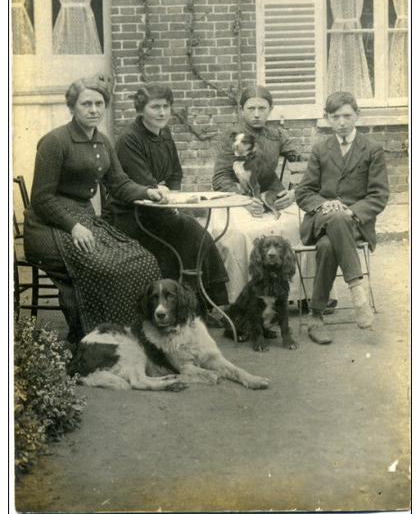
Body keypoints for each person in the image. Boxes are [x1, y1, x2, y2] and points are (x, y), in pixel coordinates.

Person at [23, 74, 164, 343]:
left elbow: (119, 183)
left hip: (84, 221)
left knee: (142, 259)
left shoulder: (103, 142)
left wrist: (148, 191)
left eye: (99, 103)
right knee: (106, 267)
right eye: (86, 104)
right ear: (72, 107)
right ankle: (93, 338)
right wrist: (74, 227)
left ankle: (129, 335)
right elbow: (41, 199)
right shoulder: (55, 142)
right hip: (48, 227)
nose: (94, 110)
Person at [105, 83, 229, 311]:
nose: (162, 112)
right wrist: (160, 191)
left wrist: (170, 194)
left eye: (166, 107)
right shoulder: (129, 140)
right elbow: (143, 182)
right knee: (190, 235)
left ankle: (212, 304)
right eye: (155, 107)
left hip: (160, 210)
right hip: (132, 216)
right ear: (141, 110)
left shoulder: (165, 134)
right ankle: (195, 307)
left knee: (199, 236)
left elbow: (175, 173)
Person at [295, 91, 389, 345]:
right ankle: (358, 291)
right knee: (334, 218)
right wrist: (326, 205)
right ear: (327, 119)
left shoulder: (371, 149)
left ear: (357, 115)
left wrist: (352, 211)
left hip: (356, 222)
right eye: (335, 117)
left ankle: (316, 317)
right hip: (322, 219)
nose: (342, 122)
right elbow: (303, 192)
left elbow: (379, 195)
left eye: (347, 115)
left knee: (327, 246)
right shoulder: (321, 149)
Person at [211, 85, 305, 304]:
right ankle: (241, 300)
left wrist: (293, 193)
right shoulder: (232, 137)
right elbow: (220, 178)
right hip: (236, 199)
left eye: (262, 108)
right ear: (241, 109)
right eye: (251, 108)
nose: (256, 113)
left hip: (271, 197)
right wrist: (243, 200)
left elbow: (301, 165)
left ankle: (300, 294)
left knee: (302, 223)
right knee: (240, 233)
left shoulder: (278, 135)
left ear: (270, 109)